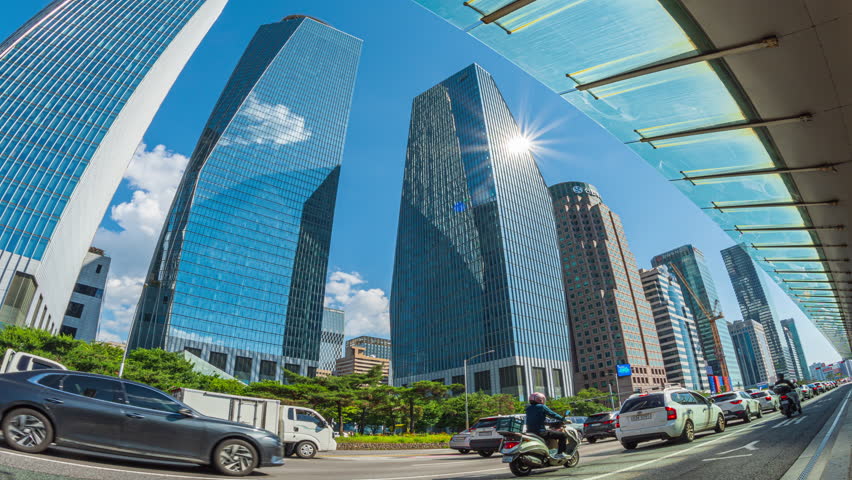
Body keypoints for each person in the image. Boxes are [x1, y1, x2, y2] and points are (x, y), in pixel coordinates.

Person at [525, 392, 570, 459]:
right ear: (540, 399)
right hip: (540, 432)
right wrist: (563, 419)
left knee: (550, 434)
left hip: (530, 432)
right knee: (563, 435)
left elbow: (536, 418)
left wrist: (547, 423)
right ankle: (560, 454)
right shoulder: (542, 407)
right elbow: (553, 414)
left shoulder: (528, 408)